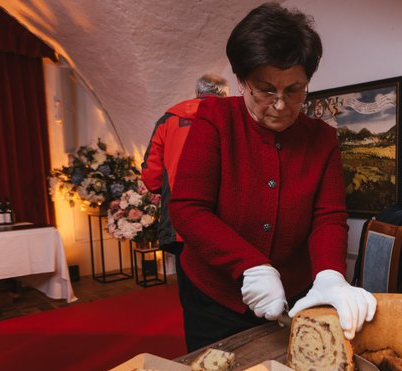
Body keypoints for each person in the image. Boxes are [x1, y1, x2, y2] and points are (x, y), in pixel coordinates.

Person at [169, 2, 376, 352]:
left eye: (294, 90)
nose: (280, 105)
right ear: (241, 82)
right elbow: (188, 208)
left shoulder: (322, 139)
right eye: (266, 90)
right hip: (213, 296)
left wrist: (330, 273)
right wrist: (249, 264)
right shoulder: (214, 121)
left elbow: (328, 217)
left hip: (293, 293)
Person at [140, 73, 229, 287]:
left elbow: (151, 177)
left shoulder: (168, 120)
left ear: (197, 93)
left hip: (180, 218)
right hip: (224, 217)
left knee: (189, 286)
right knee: (224, 284)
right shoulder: (233, 117)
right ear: (225, 95)